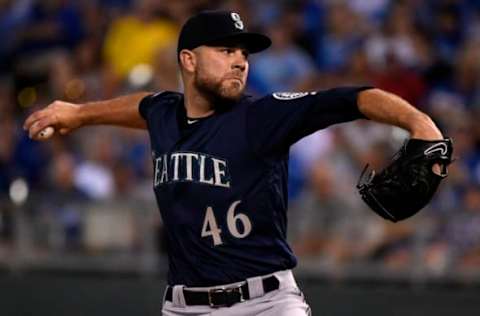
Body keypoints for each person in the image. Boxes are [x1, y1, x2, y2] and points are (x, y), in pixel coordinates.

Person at [24, 10, 445, 316]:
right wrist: (79, 113)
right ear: (188, 60)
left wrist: (419, 121)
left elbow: (352, 98)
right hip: (184, 307)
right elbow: (142, 106)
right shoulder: (164, 114)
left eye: (243, 53)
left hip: (266, 304)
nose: (240, 60)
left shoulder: (261, 117)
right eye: (226, 50)